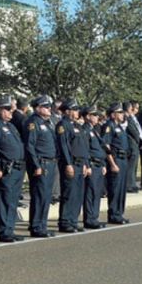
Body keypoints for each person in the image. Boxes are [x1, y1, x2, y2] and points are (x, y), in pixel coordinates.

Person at [24, 95, 57, 238]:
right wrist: (36, 165)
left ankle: (41, 224)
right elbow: (30, 146)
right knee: (39, 195)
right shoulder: (33, 123)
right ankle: (36, 226)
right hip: (41, 163)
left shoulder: (48, 122)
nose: (49, 109)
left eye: (49, 106)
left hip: (50, 163)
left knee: (46, 196)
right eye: (46, 106)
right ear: (37, 108)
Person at [0, 95, 25, 242]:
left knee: (12, 200)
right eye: (7, 109)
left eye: (11, 109)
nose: (10, 112)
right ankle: (3, 230)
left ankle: (10, 229)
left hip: (18, 167)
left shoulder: (11, 126)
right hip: (7, 168)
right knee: (5, 199)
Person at [56, 99, 88, 233]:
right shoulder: (63, 125)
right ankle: (65, 222)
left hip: (80, 164)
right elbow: (64, 146)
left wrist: (86, 163)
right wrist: (68, 164)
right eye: (74, 110)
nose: (77, 112)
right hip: (71, 163)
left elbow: (83, 146)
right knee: (69, 193)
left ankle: (73, 220)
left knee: (78, 194)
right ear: (67, 111)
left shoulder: (77, 126)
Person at [101, 103, 130, 225]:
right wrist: (112, 163)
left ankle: (119, 213)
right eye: (120, 112)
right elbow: (106, 145)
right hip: (116, 158)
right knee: (115, 188)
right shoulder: (109, 126)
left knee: (122, 189)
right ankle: (113, 214)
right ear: (113, 114)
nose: (122, 114)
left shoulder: (120, 127)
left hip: (123, 159)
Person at [82, 106, 107, 230]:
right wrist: (87, 165)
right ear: (87, 116)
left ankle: (94, 217)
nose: (97, 117)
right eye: (94, 115)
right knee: (90, 193)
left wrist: (103, 164)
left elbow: (100, 148)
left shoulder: (94, 130)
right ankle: (89, 219)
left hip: (98, 165)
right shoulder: (85, 130)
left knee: (97, 193)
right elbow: (85, 150)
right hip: (92, 164)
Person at [124, 101, 142, 193]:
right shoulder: (126, 118)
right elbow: (133, 131)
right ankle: (129, 185)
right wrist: (138, 138)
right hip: (131, 144)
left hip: (135, 144)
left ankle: (133, 183)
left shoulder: (131, 118)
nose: (133, 110)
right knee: (131, 166)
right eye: (131, 108)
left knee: (134, 165)